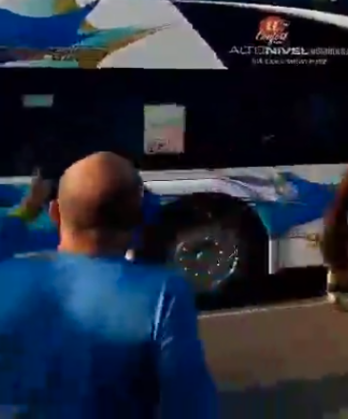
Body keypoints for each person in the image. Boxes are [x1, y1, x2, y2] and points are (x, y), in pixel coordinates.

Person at [0, 152, 218, 418]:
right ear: (140, 220)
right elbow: (190, 406)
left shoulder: (7, 275)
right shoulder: (163, 293)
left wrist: (26, 209)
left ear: (55, 213)